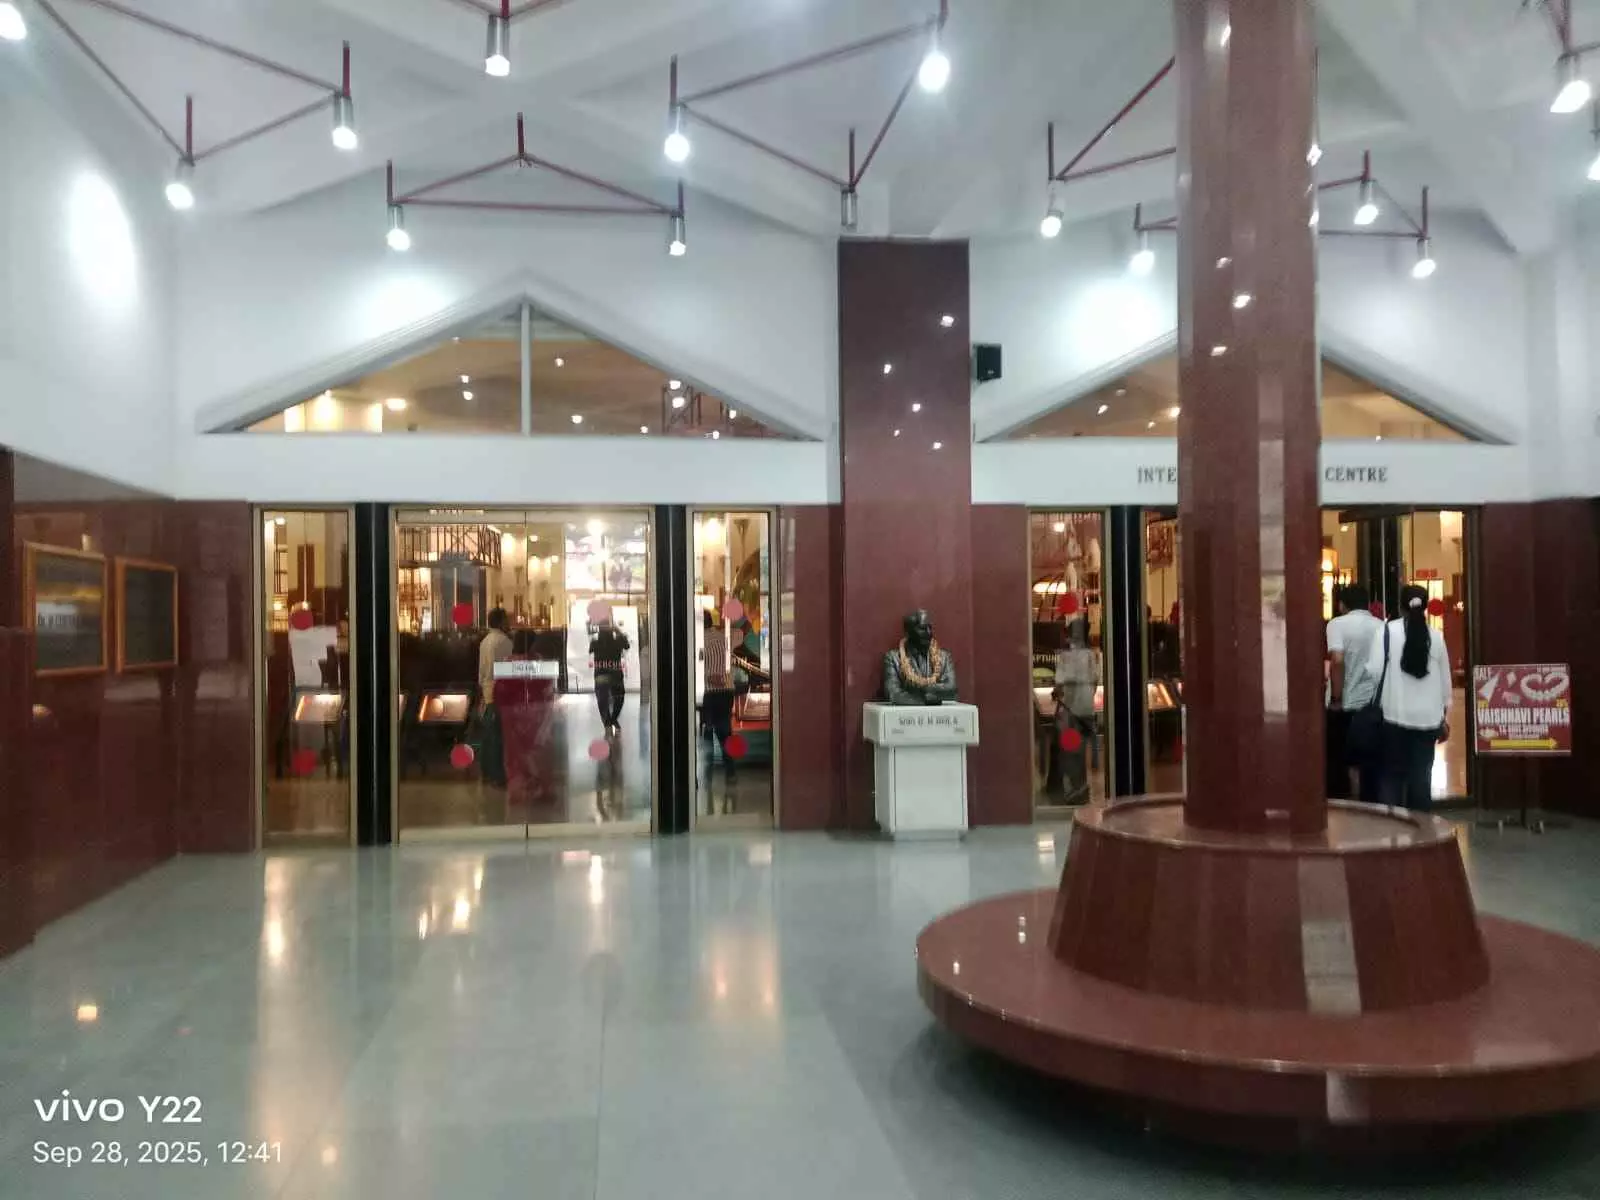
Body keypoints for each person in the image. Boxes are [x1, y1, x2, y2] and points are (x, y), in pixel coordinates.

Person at [1363, 584, 1451, 812]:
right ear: (1425, 607)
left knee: (1391, 776)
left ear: (1401, 606)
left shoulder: (1386, 632)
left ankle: (1393, 826)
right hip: (1428, 720)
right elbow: (1445, 684)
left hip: (1394, 716)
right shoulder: (1436, 637)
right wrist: (1443, 717)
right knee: (1421, 778)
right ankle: (1421, 827)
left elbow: (1374, 672)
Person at [1325, 584, 1383, 802]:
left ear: (1341, 605)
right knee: (1369, 764)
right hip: (1372, 706)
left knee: (1340, 761)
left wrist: (1336, 698)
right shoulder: (1381, 626)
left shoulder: (1337, 624)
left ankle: (1345, 807)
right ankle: (1370, 807)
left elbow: (1337, 660)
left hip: (1345, 705)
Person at [1053, 618, 1098, 805]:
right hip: (1086, 707)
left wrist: (1057, 693)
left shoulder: (1066, 656)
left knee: (1070, 750)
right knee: (1082, 749)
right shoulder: (1090, 655)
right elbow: (1095, 679)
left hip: (1071, 708)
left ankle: (1074, 788)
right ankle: (1082, 787)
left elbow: (1060, 683)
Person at [476, 608, 513, 787]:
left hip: (487, 689)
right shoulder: (505, 641)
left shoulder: (484, 641)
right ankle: (498, 776)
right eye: (506, 620)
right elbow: (508, 668)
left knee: (488, 734)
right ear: (501, 622)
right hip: (500, 689)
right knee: (499, 735)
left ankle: (486, 773)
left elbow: (482, 671)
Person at [701, 610, 736, 775]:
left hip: (712, 692)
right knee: (725, 732)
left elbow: (702, 666)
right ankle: (730, 770)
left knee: (709, 731)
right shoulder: (723, 638)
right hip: (727, 691)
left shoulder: (701, 641)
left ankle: (707, 770)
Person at [590, 619, 630, 736]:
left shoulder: (595, 642)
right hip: (615, 673)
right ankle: (613, 720)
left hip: (601, 673)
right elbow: (626, 645)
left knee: (602, 700)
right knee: (619, 698)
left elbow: (591, 650)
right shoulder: (617, 641)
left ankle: (608, 723)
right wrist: (618, 631)